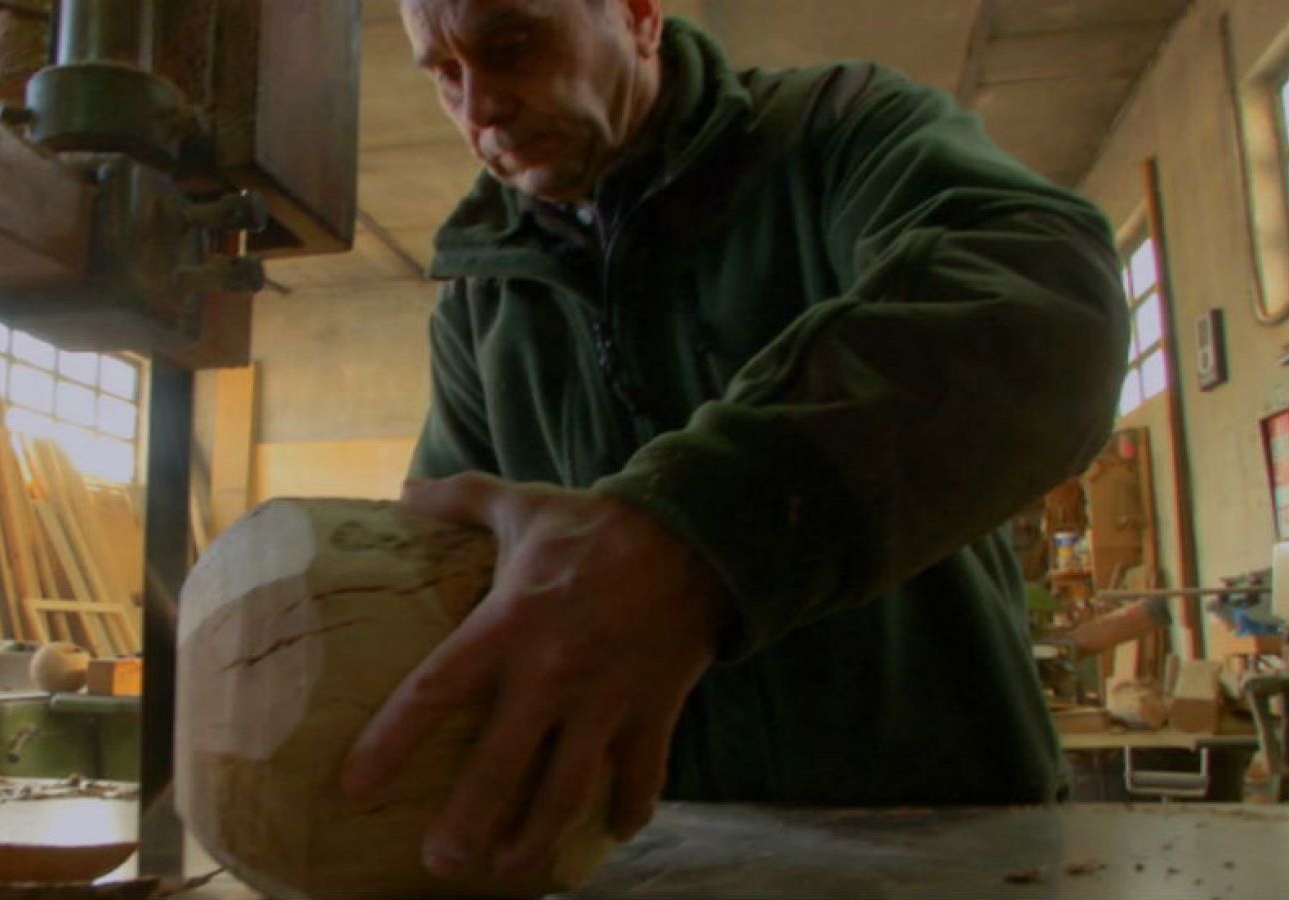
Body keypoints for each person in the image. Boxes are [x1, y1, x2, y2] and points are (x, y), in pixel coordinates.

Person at [341, 0, 1131, 885]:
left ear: (638, 15)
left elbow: (1049, 305)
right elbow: (452, 566)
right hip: (637, 850)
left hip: (939, 834)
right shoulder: (478, 296)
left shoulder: (837, 130)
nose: (479, 105)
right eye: (445, 73)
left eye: (513, 44)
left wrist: (695, 535)